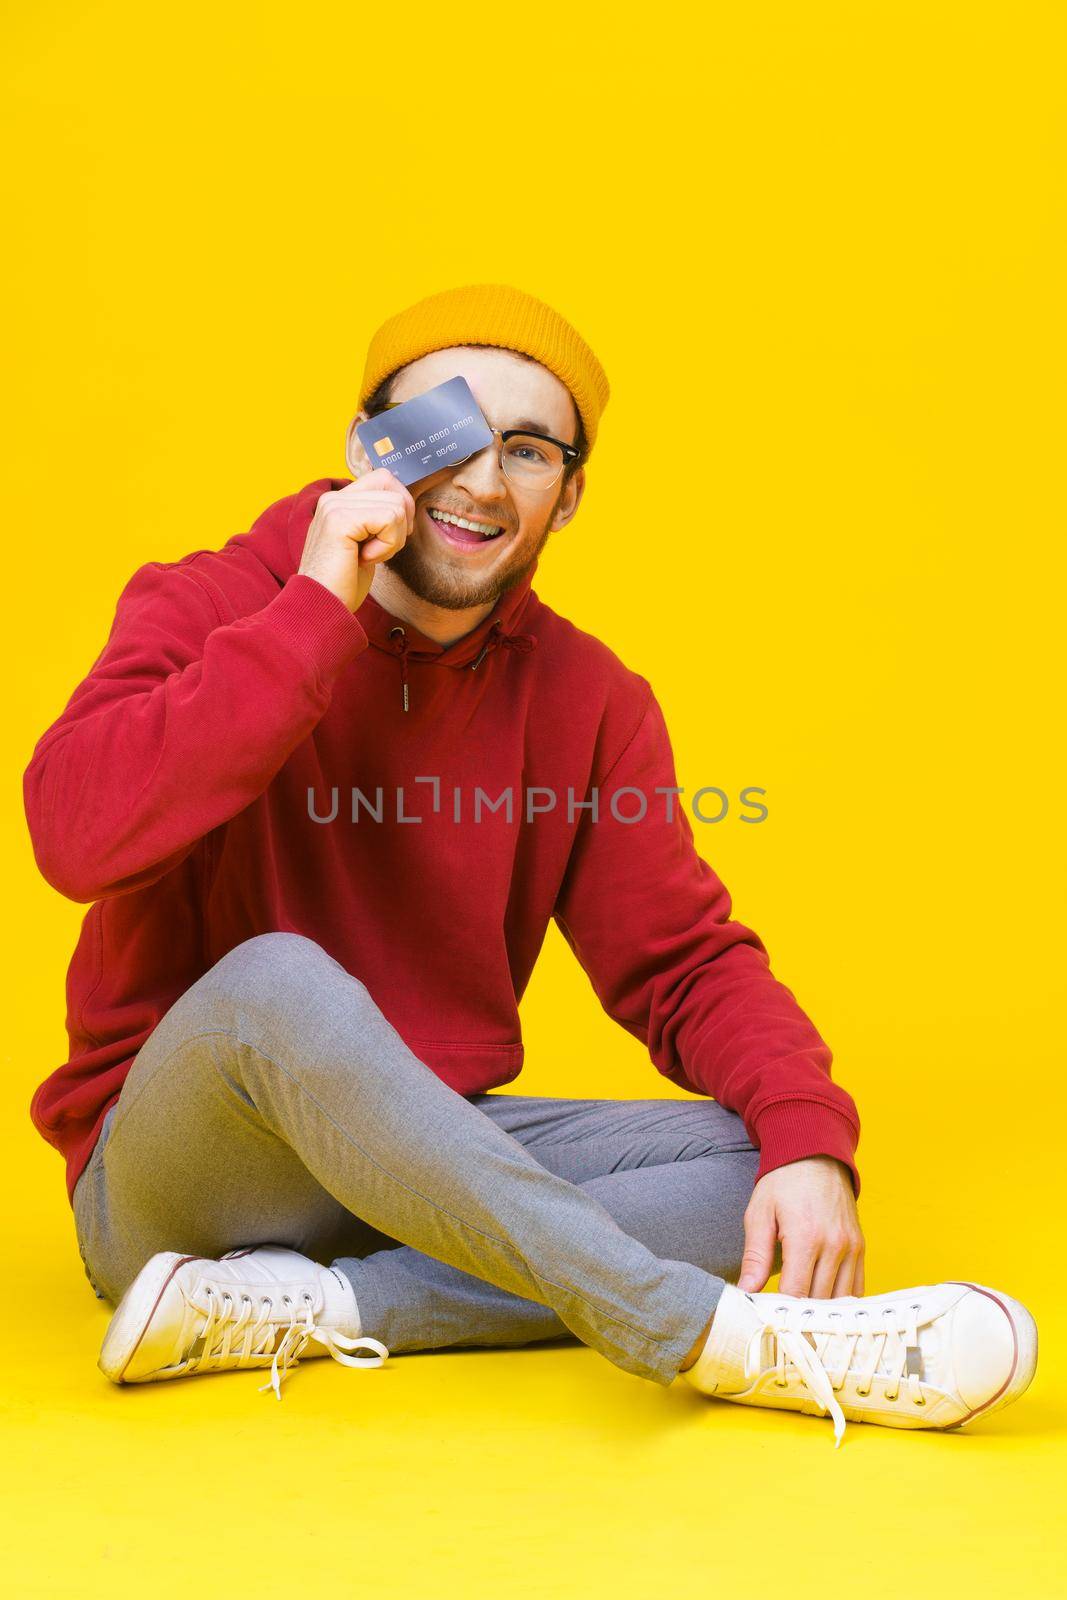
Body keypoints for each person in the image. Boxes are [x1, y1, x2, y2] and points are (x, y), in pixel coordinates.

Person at [24, 283, 1036, 1445]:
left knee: (763, 1163)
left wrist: (809, 1138)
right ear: (367, 450)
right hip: (181, 1176)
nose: (480, 482)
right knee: (277, 982)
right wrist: (313, 613)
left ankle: (328, 1305)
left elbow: (682, 961)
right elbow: (76, 836)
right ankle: (716, 1339)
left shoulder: (589, 699)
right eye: (443, 434)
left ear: (569, 494)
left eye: (526, 449)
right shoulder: (218, 601)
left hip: (410, 1167)